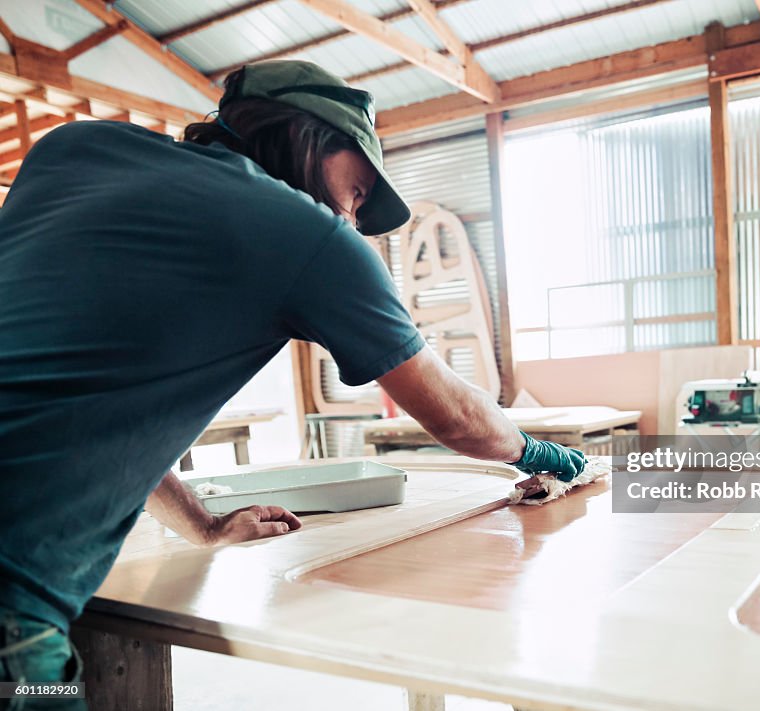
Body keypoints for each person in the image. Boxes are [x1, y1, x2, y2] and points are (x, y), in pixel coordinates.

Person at [0, 60, 585, 708]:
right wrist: (544, 454)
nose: (354, 219)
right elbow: (457, 417)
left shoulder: (74, 148)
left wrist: (204, 525)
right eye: (358, 193)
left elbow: (98, 404)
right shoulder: (310, 236)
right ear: (302, 136)